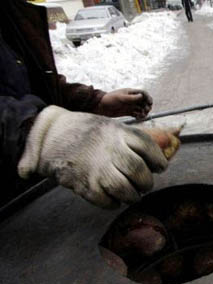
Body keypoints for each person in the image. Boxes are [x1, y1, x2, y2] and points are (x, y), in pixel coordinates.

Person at [1, 0, 175, 211]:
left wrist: (96, 101)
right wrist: (39, 132)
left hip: (41, 194)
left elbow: (37, 83)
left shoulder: (10, 10)